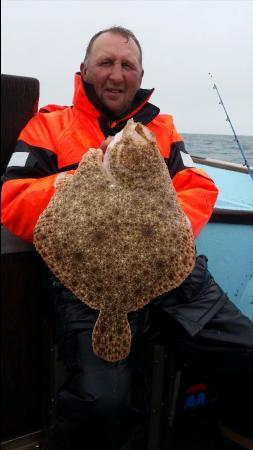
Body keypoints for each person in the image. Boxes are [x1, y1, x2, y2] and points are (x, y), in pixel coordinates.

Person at [2, 26, 253, 450]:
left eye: (127, 65)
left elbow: (196, 186)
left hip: (173, 276)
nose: (117, 74)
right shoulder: (49, 127)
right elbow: (13, 199)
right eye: (106, 63)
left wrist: (160, 233)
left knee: (246, 353)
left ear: (140, 74)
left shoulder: (162, 128)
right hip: (89, 287)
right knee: (103, 403)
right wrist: (79, 182)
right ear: (84, 70)